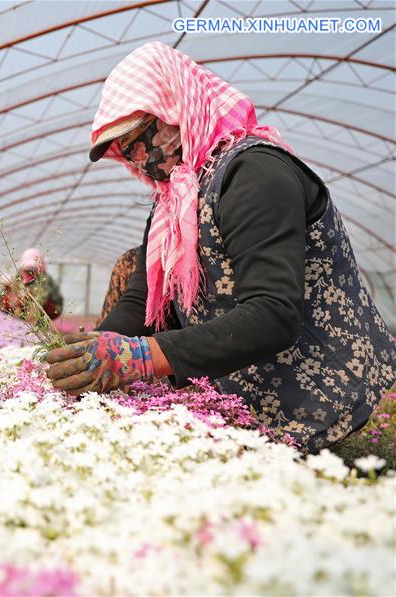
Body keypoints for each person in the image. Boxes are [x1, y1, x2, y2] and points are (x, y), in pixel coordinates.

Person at [44, 41, 395, 452]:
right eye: (126, 149)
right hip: (245, 394)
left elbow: (273, 314)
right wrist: (91, 354)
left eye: (143, 135)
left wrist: (141, 358)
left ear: (177, 105)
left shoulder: (254, 173)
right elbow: (143, 300)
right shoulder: (175, 197)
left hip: (314, 386)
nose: (138, 157)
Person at [0, 248, 63, 320]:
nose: (29, 271)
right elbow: (5, 298)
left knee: (30, 297)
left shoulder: (44, 278)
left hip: (48, 308)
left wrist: (29, 322)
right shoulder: (18, 277)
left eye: (32, 268)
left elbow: (40, 299)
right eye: (27, 268)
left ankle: (39, 322)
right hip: (26, 307)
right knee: (10, 296)